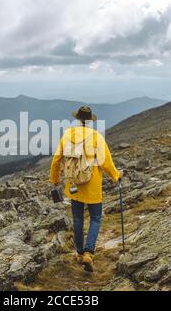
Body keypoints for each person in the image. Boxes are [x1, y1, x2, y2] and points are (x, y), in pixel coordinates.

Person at [49, 106, 123, 272]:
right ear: (90, 121)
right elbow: (106, 162)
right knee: (95, 218)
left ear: (77, 119)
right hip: (92, 184)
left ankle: (80, 252)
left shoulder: (68, 135)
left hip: (74, 185)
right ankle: (89, 253)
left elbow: (56, 160)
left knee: (77, 219)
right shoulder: (96, 137)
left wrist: (55, 180)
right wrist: (116, 176)